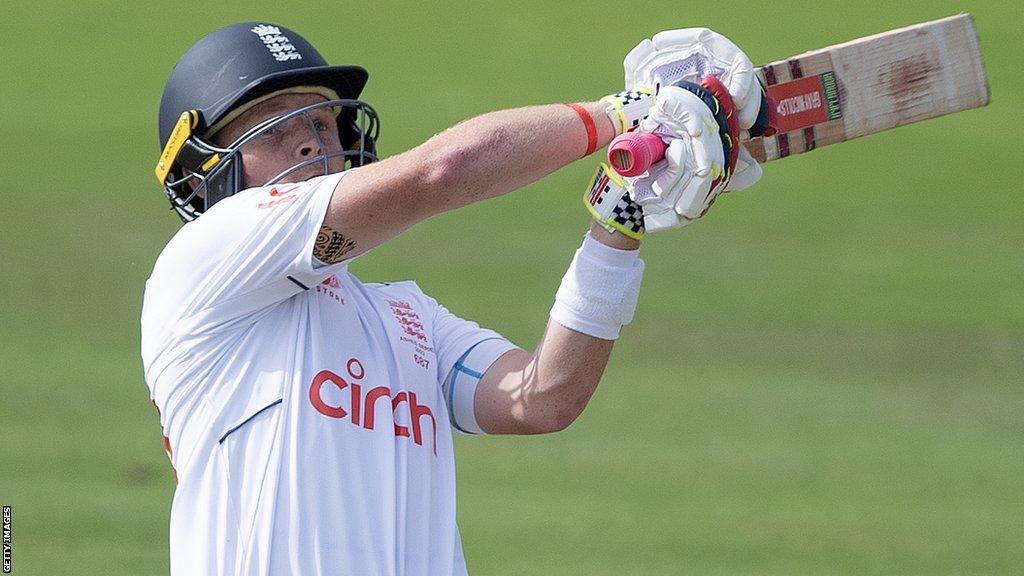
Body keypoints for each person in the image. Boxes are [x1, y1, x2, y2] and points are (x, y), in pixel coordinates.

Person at [143, 22, 766, 575]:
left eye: (322, 121)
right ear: (201, 171)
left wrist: (620, 217)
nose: (310, 143)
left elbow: (545, 397)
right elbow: (441, 171)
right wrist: (626, 115)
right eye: (276, 126)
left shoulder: (408, 318)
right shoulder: (200, 267)